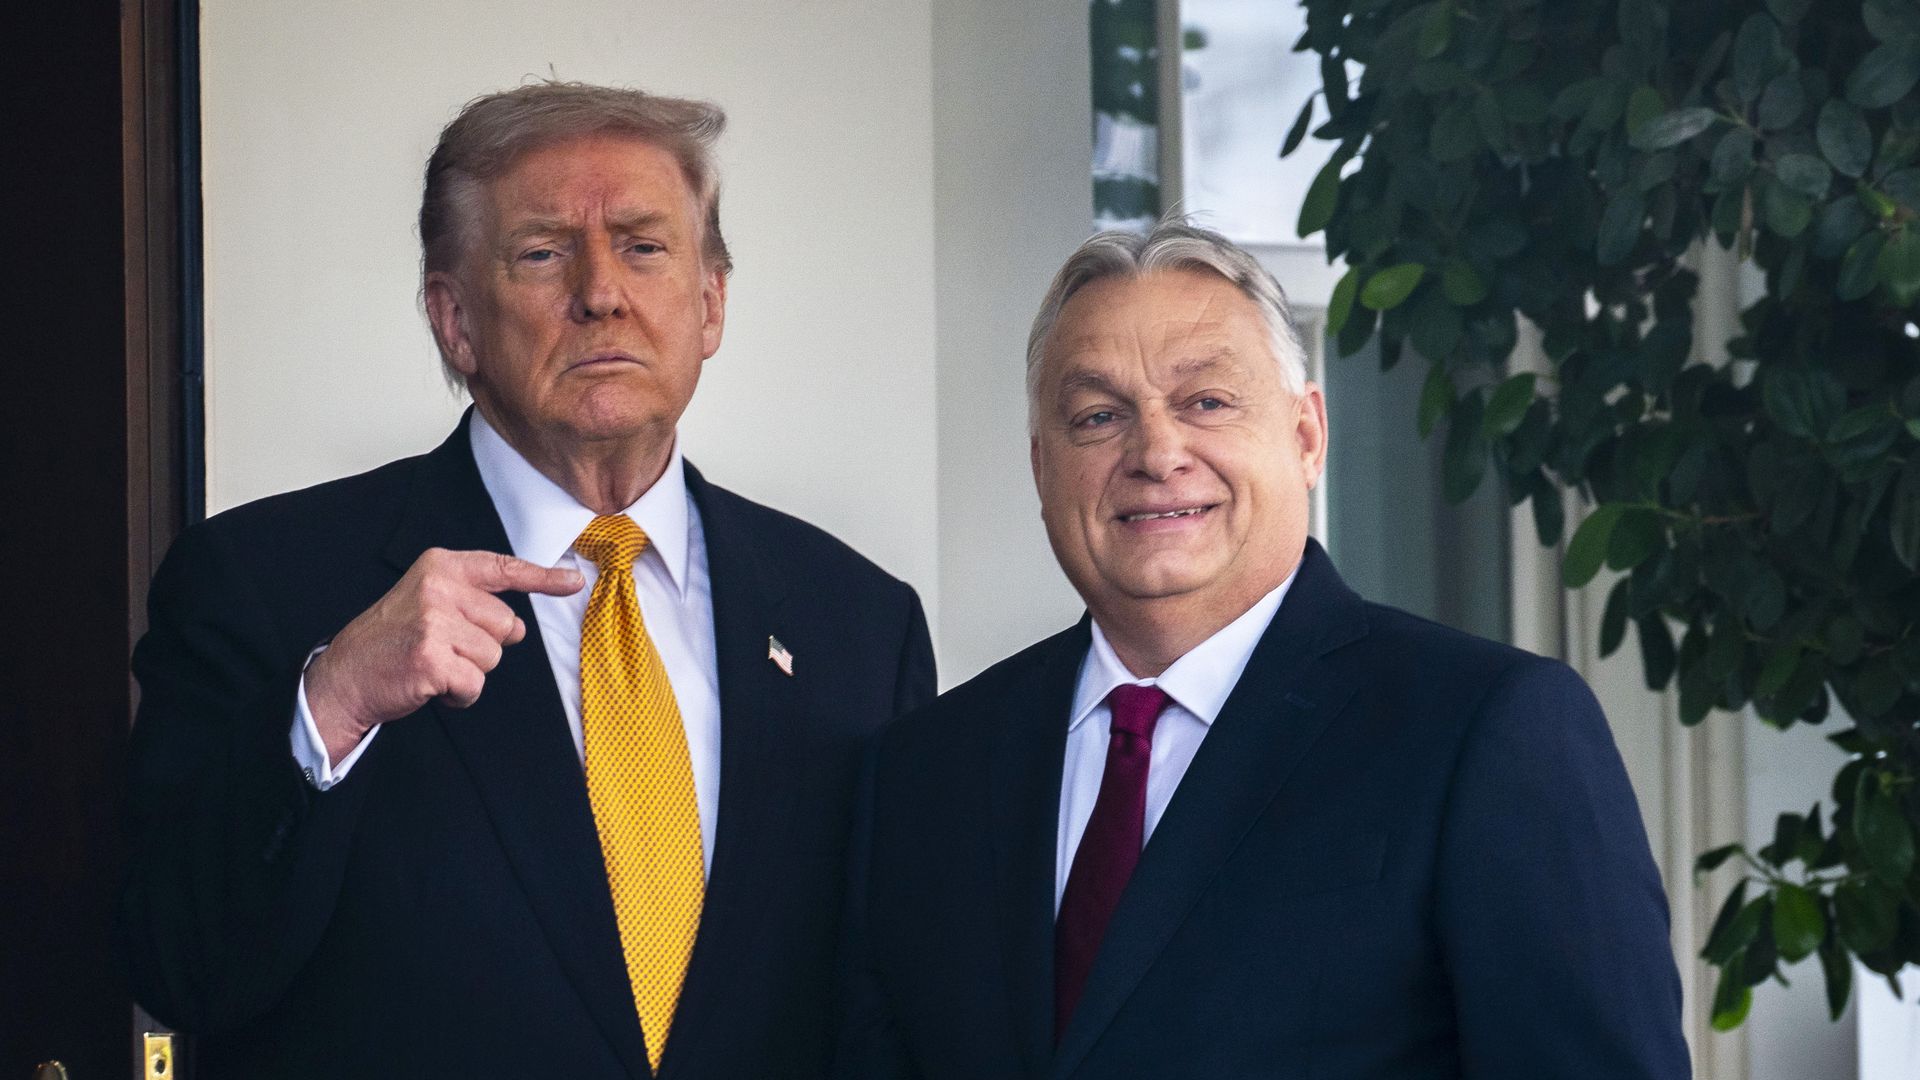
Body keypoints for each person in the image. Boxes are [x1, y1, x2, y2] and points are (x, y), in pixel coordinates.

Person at [121, 82, 934, 1079]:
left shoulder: (858, 623)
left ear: (712, 301)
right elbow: (180, 969)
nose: (602, 292)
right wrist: (330, 702)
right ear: (454, 319)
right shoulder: (263, 585)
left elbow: (893, 1008)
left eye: (643, 245)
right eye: (544, 252)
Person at [834, 218, 1689, 1079]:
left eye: (1207, 401)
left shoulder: (1487, 732)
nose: (1157, 453)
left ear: (1307, 437)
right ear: (1040, 468)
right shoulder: (923, 773)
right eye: (1098, 416)